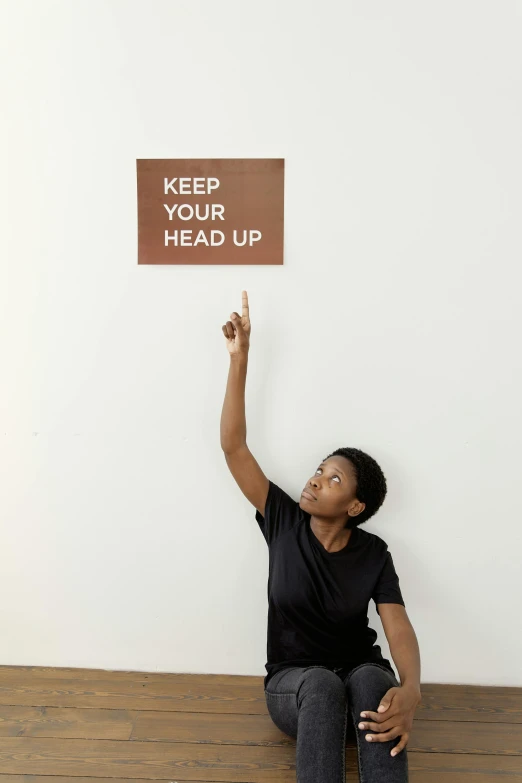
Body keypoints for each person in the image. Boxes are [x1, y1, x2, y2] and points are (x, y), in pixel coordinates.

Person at [220, 291, 422, 782]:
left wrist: (412, 688)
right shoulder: (283, 520)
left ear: (356, 506)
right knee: (322, 687)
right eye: (318, 470)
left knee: (374, 678)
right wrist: (240, 359)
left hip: (359, 687)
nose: (314, 480)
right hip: (294, 689)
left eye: (333, 479)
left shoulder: (373, 552)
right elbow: (234, 446)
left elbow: (396, 625)